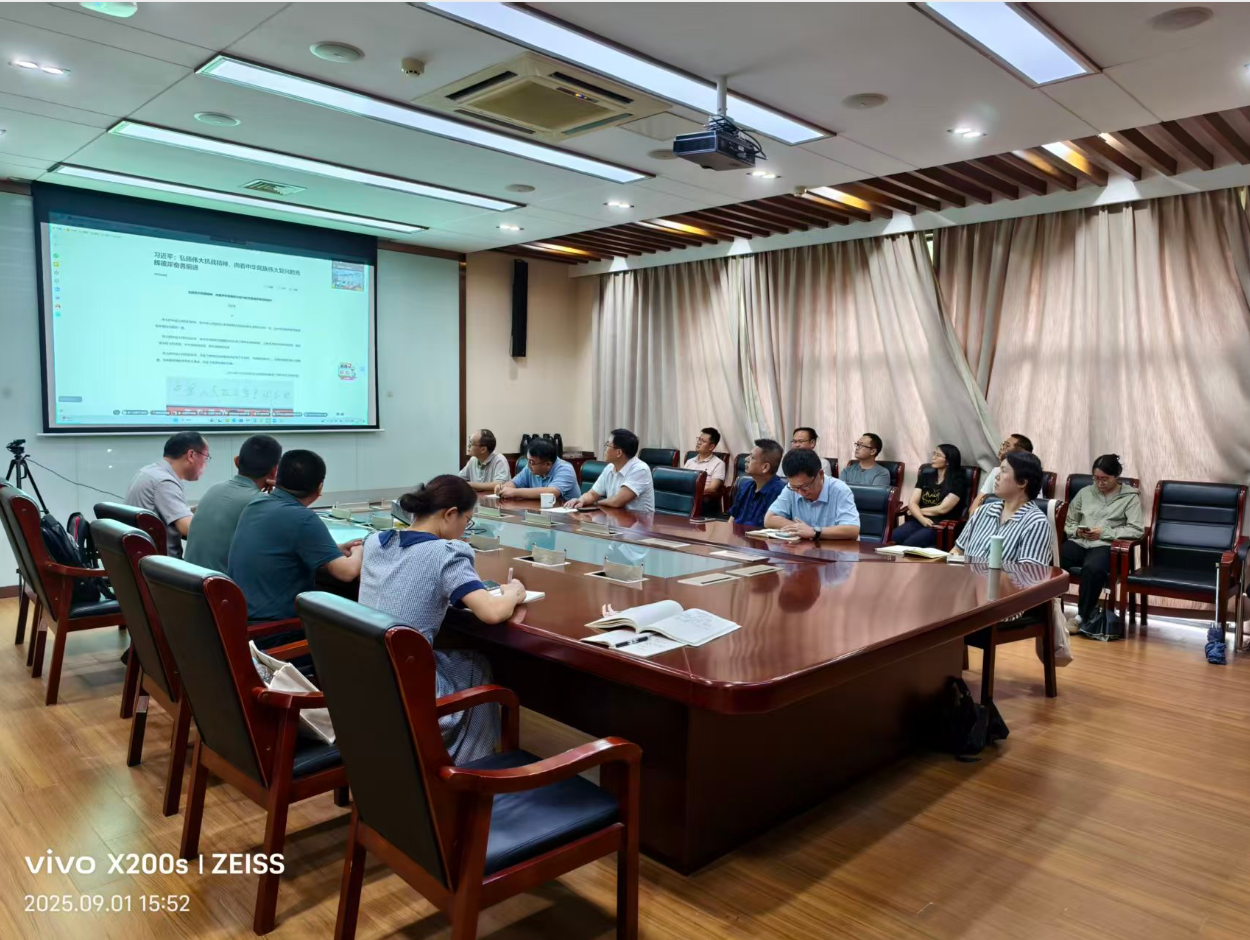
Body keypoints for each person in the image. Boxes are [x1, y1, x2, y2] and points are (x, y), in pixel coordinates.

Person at [358, 475, 527, 764]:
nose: (464, 530)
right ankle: (473, 767)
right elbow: (491, 612)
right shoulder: (446, 552)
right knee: (475, 665)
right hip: (410, 689)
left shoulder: (375, 542)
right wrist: (513, 593)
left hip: (368, 680)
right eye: (467, 520)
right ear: (450, 514)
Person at [227, 450, 363, 626]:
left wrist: (335, 550)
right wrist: (359, 549)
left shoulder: (256, 505)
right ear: (319, 487)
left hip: (240, 621)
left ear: (276, 478)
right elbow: (346, 573)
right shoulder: (303, 518)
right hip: (277, 629)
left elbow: (284, 547)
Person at [1061, 454, 1144, 627]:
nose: (1099, 483)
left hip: (1106, 545)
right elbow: (1069, 522)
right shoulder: (1085, 492)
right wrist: (1077, 530)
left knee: (1093, 568)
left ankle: (1082, 617)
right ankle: (1048, 610)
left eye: (1105, 479)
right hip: (1080, 541)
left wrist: (1104, 533)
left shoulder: (1130, 497)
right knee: (1051, 558)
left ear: (1117, 475)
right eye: (1096, 478)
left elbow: (1136, 530)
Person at [184, 435, 282, 573]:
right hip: (224, 585)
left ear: (236, 461)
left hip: (191, 580)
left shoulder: (214, 489)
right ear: (274, 471)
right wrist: (282, 491)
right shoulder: (262, 503)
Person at [950, 451, 1052, 564]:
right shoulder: (982, 511)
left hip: (998, 576)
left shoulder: (1036, 523)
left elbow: (1029, 572)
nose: (997, 476)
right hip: (967, 575)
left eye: (1003, 471)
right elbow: (958, 550)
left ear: (1022, 482)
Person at [123, 431, 209, 558]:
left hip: (142, 559)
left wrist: (203, 507)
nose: (206, 464)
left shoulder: (149, 472)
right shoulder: (164, 482)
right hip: (162, 566)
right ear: (191, 455)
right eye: (206, 458)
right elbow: (188, 528)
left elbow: (168, 512)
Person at [764, 448, 860, 540]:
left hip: (836, 549)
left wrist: (815, 531)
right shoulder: (791, 488)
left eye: (805, 486)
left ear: (820, 474)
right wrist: (801, 529)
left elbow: (852, 530)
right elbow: (769, 519)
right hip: (805, 548)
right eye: (795, 487)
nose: (800, 492)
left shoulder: (840, 490)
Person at [892, 444, 968, 548]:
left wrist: (915, 511)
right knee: (894, 536)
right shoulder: (926, 476)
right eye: (934, 454)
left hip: (940, 524)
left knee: (909, 544)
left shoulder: (958, 481)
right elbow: (912, 502)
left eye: (938, 455)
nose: (933, 457)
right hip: (920, 519)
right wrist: (920, 517)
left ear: (948, 461)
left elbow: (943, 509)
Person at [565, 428, 655, 513]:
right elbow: (592, 494)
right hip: (616, 519)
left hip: (640, 521)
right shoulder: (610, 468)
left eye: (608, 445)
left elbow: (617, 501)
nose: (605, 449)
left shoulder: (640, 469)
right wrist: (581, 500)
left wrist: (596, 503)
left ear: (618, 452)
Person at [497, 437, 579, 503]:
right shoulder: (530, 466)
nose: (529, 465)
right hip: (539, 512)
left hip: (566, 516)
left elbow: (551, 492)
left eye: (532, 462)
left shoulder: (565, 469)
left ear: (548, 464)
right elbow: (514, 483)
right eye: (528, 460)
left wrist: (514, 492)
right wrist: (503, 488)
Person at [970, 433, 1033, 515]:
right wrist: (973, 520)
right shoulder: (996, 471)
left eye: (1007, 446)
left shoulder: (1030, 475)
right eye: (1003, 445)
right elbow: (976, 504)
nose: (1001, 449)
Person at [727, 438, 785, 528]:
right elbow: (732, 518)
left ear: (765, 467)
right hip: (737, 535)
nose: (746, 459)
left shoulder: (780, 492)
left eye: (752, 457)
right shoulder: (745, 486)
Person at [458, 429, 510, 493]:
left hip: (497, 498)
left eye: (471, 443)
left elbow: (500, 484)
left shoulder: (499, 460)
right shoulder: (473, 459)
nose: (468, 446)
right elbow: (460, 478)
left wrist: (470, 485)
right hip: (478, 497)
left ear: (483, 449)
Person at [683, 428, 727, 496]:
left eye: (703, 441)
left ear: (711, 447)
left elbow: (712, 488)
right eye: (699, 439)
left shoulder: (719, 464)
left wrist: (690, 490)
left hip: (702, 498)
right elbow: (681, 480)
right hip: (684, 495)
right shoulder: (689, 461)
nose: (699, 442)